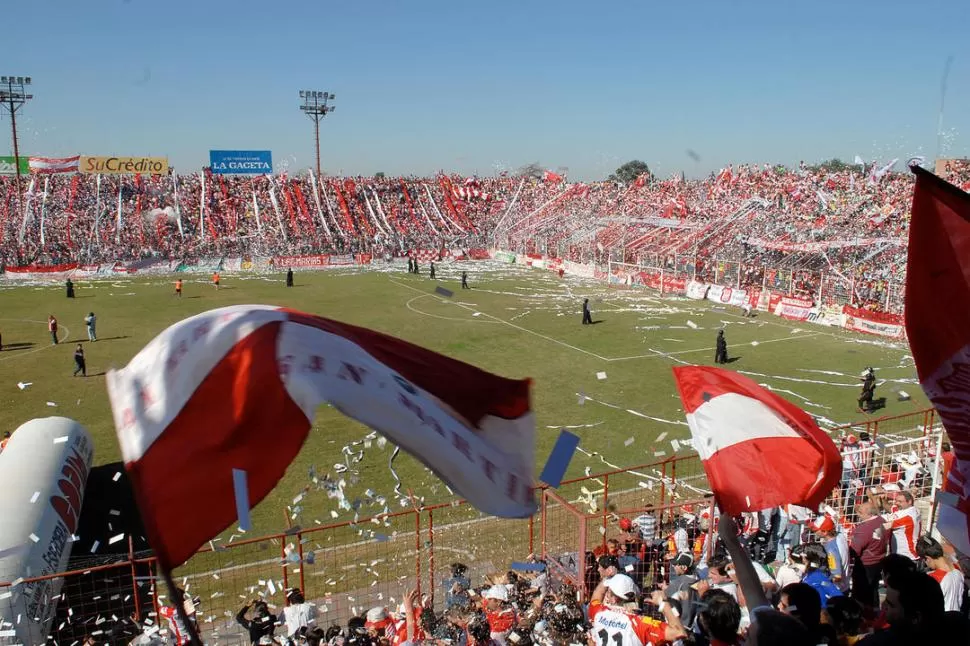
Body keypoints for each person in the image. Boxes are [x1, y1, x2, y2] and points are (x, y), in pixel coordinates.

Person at [588, 574, 685, 645]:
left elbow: (596, 596)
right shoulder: (640, 623)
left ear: (612, 598)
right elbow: (679, 632)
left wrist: (606, 579)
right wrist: (663, 601)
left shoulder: (598, 613)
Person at [850, 501, 889, 608]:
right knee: (873, 589)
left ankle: (860, 615)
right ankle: (874, 611)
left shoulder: (863, 529)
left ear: (869, 514)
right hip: (878, 560)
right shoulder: (882, 521)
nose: (858, 514)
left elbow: (854, 551)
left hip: (865, 564)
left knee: (860, 594)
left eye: (861, 512)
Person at [916, 535, 965, 612]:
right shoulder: (958, 569)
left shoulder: (933, 578)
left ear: (928, 558)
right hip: (957, 617)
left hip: (941, 620)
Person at [883, 490, 921, 562]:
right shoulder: (912, 509)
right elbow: (890, 508)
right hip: (903, 555)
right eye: (896, 501)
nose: (897, 503)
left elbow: (883, 525)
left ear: (909, 502)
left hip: (906, 557)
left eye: (900, 501)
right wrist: (883, 499)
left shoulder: (907, 516)